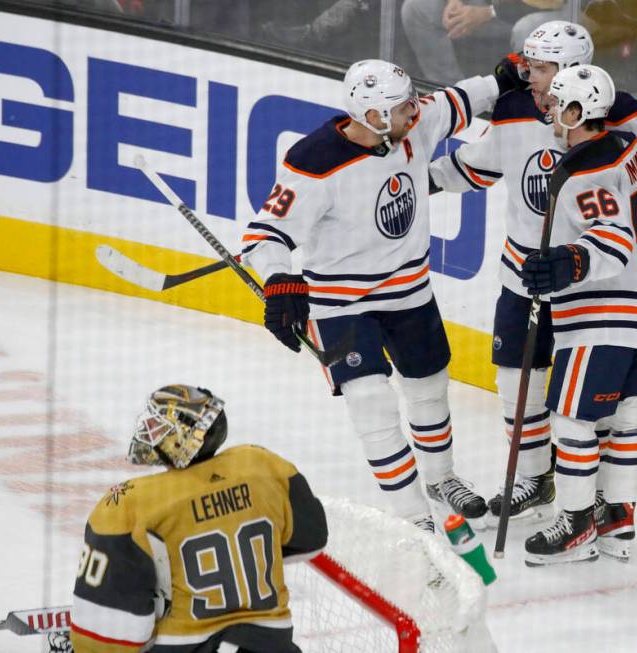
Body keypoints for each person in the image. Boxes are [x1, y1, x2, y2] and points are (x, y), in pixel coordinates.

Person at [428, 20, 637, 538]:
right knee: (518, 383)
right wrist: (412, 180)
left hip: (596, 289)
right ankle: (537, 479)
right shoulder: (514, 110)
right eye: (529, 65)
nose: (526, 75)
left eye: (538, 68)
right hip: (527, 276)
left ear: (572, 76)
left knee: (598, 408)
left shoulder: (619, 113)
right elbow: (468, 169)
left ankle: (601, 506)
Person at [241, 59, 524, 532]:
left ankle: (441, 480)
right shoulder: (314, 162)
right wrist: (280, 281)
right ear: (371, 117)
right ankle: (414, 519)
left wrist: (503, 75)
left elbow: (460, 98)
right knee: (371, 402)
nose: (414, 110)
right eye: (400, 107)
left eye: (411, 99)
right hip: (341, 304)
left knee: (430, 388)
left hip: (409, 291)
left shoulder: (413, 121)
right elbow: (264, 234)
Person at [515, 64, 637, 566]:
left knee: (572, 417)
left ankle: (576, 524)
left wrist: (568, 261)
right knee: (628, 414)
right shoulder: (628, 146)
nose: (548, 109)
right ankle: (617, 520)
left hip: (606, 312)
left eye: (557, 101)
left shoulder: (586, 169)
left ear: (579, 110)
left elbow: (612, 239)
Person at [69, 385, 328, 652]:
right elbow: (313, 539)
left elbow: (104, 638)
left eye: (159, 427)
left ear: (183, 439)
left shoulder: (132, 503)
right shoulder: (262, 466)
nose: (148, 431)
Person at [401, 0, 569, 82]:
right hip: (490, 8)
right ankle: (453, 96)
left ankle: (529, 109)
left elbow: (550, 2)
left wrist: (487, 12)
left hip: (548, 10)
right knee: (417, 7)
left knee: (528, 30)